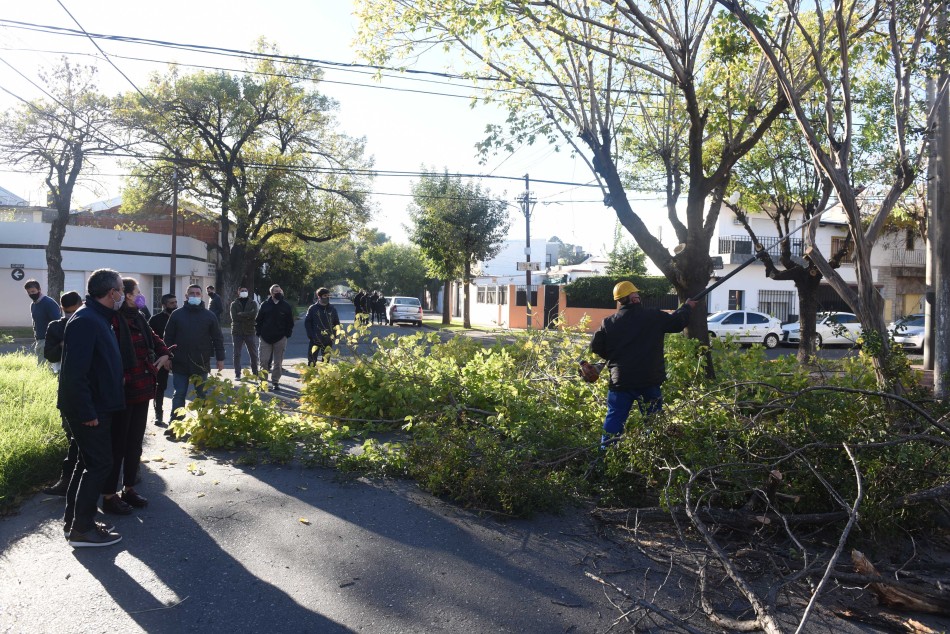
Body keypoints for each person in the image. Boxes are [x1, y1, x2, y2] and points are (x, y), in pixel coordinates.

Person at [58, 268, 126, 548]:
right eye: (121, 290)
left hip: (98, 406)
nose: (122, 294)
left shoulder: (98, 317)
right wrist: (86, 412)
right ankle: (82, 529)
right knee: (100, 465)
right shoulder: (87, 320)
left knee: (88, 463)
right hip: (90, 410)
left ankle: (74, 523)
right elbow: (74, 374)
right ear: (112, 293)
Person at [590, 281, 696, 447]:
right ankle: (652, 453)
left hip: (621, 382)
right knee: (653, 422)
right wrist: (687, 307)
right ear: (635, 298)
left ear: (619, 301)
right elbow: (677, 322)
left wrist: (612, 356)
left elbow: (596, 347)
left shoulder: (609, 323)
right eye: (636, 294)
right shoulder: (653, 316)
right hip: (649, 381)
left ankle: (605, 455)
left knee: (614, 418)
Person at [101, 278, 171, 515]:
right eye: (137, 292)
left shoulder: (139, 317)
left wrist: (164, 354)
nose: (140, 296)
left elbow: (156, 340)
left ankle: (128, 488)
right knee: (117, 445)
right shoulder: (113, 320)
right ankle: (109, 495)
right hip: (122, 391)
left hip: (143, 388)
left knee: (134, 443)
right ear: (127, 295)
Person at [163, 285, 225, 432]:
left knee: (202, 394)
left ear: (202, 296)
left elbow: (217, 338)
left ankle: (204, 425)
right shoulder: (177, 314)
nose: (195, 296)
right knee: (179, 394)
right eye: (192, 293)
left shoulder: (210, 316)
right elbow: (168, 337)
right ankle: (174, 425)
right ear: (186, 296)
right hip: (179, 361)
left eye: (198, 293)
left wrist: (220, 358)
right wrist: (167, 356)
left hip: (201, 362)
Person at [40, 291, 82, 496]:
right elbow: (49, 354)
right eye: (66, 313)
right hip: (66, 382)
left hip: (91, 383)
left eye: (73, 312)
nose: (69, 316)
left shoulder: (89, 322)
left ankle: (73, 480)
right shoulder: (56, 327)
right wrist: (63, 345)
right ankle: (70, 480)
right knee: (71, 430)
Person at [256, 284, 294, 391]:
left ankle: (275, 382)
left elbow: (290, 322)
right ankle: (263, 382)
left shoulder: (286, 306)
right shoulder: (265, 305)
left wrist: (287, 335)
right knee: (263, 361)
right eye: (276, 292)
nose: (278, 293)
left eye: (279, 291)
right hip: (265, 338)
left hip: (280, 338)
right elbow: (258, 320)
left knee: (278, 362)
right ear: (271, 293)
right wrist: (259, 333)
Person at [148, 293, 177, 426]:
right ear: (164, 305)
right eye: (171, 303)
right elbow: (150, 342)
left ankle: (176, 419)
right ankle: (158, 415)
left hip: (179, 358)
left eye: (176, 302)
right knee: (160, 387)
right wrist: (163, 359)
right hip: (161, 359)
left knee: (180, 389)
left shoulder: (180, 317)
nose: (175, 305)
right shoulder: (155, 320)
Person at [24, 279, 61, 365]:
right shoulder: (33, 305)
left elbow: (57, 322)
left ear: (39, 290)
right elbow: (35, 323)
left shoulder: (49, 303)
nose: (31, 294)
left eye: (33, 291)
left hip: (49, 340)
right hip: (39, 340)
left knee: (44, 367)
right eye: (28, 292)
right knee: (42, 367)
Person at [304, 287, 340, 365]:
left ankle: (325, 377)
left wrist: (334, 334)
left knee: (326, 362)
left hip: (328, 339)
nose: (327, 297)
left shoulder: (332, 309)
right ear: (319, 297)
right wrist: (311, 335)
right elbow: (307, 323)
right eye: (325, 296)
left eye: (328, 296)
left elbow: (336, 323)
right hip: (315, 338)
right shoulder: (312, 308)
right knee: (312, 361)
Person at [230, 285, 259, 379]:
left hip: (249, 331)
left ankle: (255, 373)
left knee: (253, 354)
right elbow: (234, 317)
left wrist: (242, 314)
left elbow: (254, 315)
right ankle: (237, 374)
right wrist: (248, 315)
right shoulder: (234, 304)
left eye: (245, 290)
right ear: (238, 292)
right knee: (237, 354)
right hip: (237, 331)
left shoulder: (253, 303)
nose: (244, 291)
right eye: (242, 290)